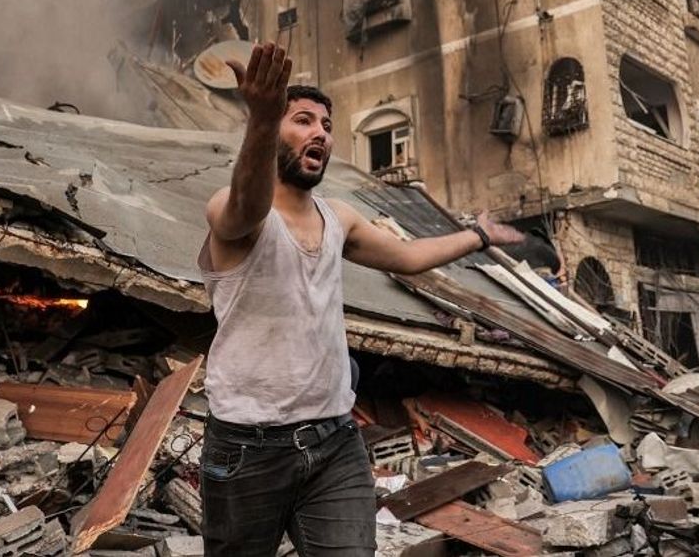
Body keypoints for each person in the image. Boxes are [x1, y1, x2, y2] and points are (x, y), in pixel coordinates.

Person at [197, 42, 524, 555]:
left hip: (334, 443)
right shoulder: (230, 208)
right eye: (303, 120)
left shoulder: (339, 217)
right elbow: (245, 207)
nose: (320, 134)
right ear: (271, 128)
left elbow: (410, 256)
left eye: (326, 126)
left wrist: (478, 235)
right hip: (248, 449)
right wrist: (260, 118)